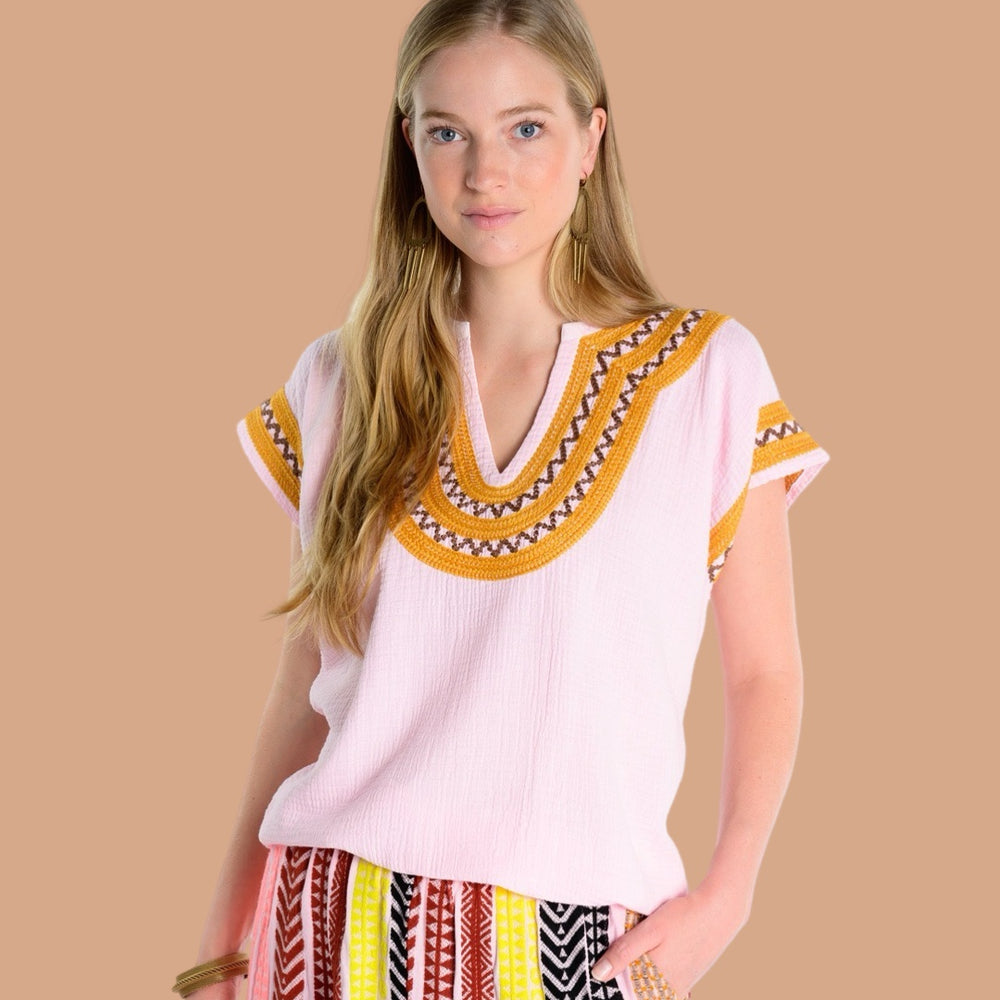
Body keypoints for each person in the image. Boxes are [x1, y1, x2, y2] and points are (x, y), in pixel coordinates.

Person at [172, 1, 829, 998]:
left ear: (590, 139)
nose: (486, 173)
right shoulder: (343, 378)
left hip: (583, 939)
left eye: (526, 127)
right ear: (410, 144)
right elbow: (306, 674)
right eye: (449, 133)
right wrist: (226, 934)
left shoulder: (707, 375)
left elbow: (764, 672)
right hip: (334, 924)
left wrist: (727, 897)